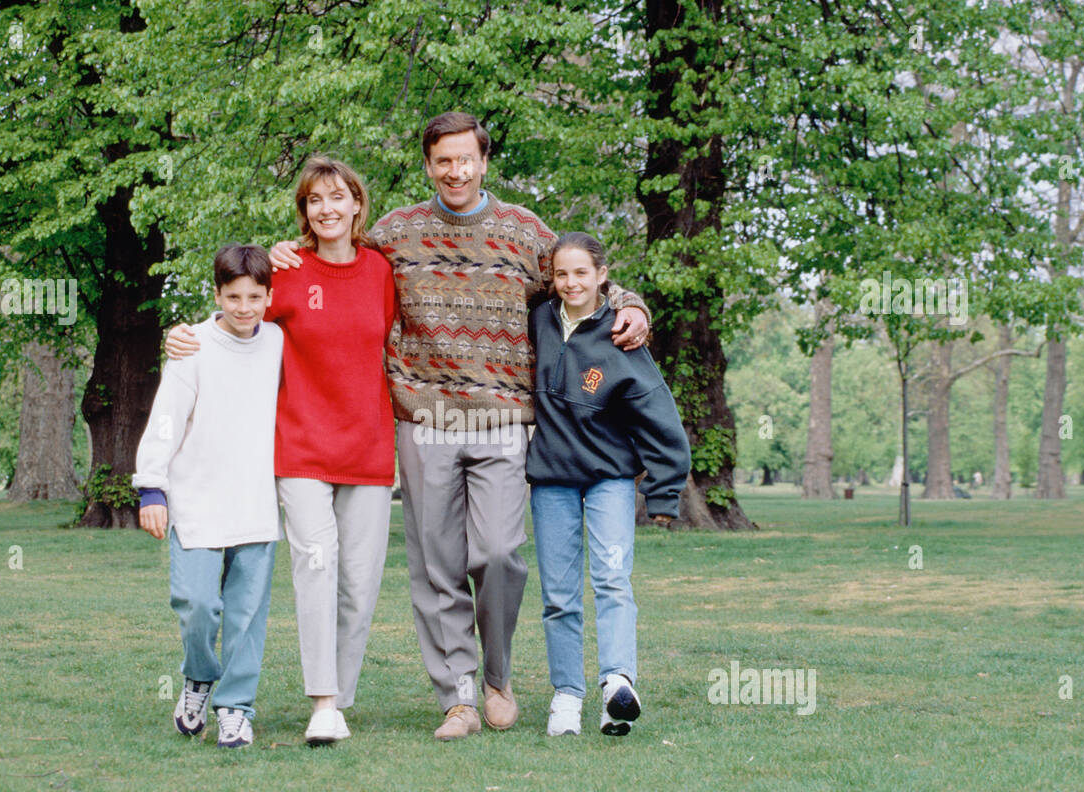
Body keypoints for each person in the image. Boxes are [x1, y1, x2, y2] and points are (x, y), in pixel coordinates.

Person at [259, 112, 652, 740]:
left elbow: (582, 278)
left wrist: (632, 303)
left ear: (484, 161)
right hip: (423, 420)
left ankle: (498, 677)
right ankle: (459, 696)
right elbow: (336, 257)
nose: (456, 171)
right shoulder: (397, 233)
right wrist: (287, 250)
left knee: (498, 554)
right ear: (428, 165)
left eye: (466, 159)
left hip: (503, 420)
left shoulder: (525, 233)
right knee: (436, 564)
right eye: (443, 160)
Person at [163, 157, 397, 746]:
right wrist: (184, 332)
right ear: (304, 212)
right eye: (315, 200)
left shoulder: (381, 272)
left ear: (357, 205)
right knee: (315, 570)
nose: (328, 208)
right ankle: (321, 703)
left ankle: (340, 697)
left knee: (359, 583)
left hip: (369, 449)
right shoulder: (288, 273)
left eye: (338, 197)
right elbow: (237, 312)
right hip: (300, 450)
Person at [527, 232, 690, 737]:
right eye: (561, 274)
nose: (571, 282)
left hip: (610, 481)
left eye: (581, 272)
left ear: (602, 276)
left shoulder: (622, 334)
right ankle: (566, 695)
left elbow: (660, 416)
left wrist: (662, 492)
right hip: (551, 478)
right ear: (550, 279)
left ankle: (617, 685)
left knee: (613, 581)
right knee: (558, 594)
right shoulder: (537, 320)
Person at [134, 244, 284, 748]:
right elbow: (166, 420)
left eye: (255, 297)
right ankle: (198, 676)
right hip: (197, 503)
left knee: (245, 617)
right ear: (217, 294)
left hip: (256, 504)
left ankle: (236, 708)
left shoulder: (279, 342)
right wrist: (152, 487)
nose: (244, 308)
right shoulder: (192, 345)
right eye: (233, 297)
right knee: (198, 605)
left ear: (268, 297)